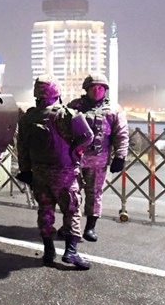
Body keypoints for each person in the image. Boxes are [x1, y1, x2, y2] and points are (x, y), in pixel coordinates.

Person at [16, 75, 95, 269]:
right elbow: (88, 136)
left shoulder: (28, 117)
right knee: (71, 210)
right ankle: (71, 252)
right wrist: (74, 150)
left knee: (45, 211)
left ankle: (48, 250)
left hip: (39, 173)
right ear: (56, 92)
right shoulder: (65, 114)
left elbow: (22, 147)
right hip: (64, 172)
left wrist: (25, 170)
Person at [67, 73, 129, 242]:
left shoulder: (114, 110)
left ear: (105, 90)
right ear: (86, 89)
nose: (97, 90)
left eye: (101, 87)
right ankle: (71, 226)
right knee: (71, 193)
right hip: (75, 159)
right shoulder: (74, 106)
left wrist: (120, 156)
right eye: (93, 87)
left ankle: (90, 228)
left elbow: (121, 134)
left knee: (94, 194)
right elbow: (63, 130)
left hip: (99, 160)